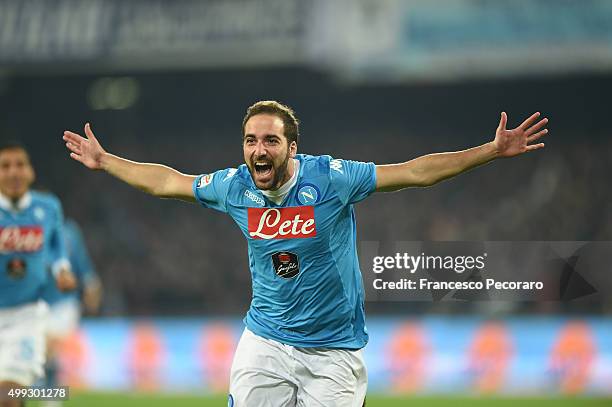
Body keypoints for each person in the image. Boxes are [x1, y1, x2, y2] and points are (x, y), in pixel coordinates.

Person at [62, 100, 548, 406]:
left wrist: (488, 150)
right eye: (251, 140)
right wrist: (105, 161)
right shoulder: (234, 187)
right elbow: (169, 181)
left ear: (292, 148)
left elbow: (416, 173)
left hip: (334, 350)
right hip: (265, 343)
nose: (259, 149)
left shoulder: (331, 178)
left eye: (270, 140)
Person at [0, 143, 76, 407]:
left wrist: (62, 269)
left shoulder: (48, 208)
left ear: (30, 172)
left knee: (9, 394)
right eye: (5, 166)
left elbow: (56, 245)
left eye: (20, 165)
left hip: (26, 315)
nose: (13, 172)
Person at [40, 218, 102, 406]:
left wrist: (91, 285)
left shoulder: (69, 232)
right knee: (44, 355)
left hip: (65, 302)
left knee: (51, 348)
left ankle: (50, 397)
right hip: (37, 303)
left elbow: (82, 262)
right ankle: (48, 394)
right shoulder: (27, 231)